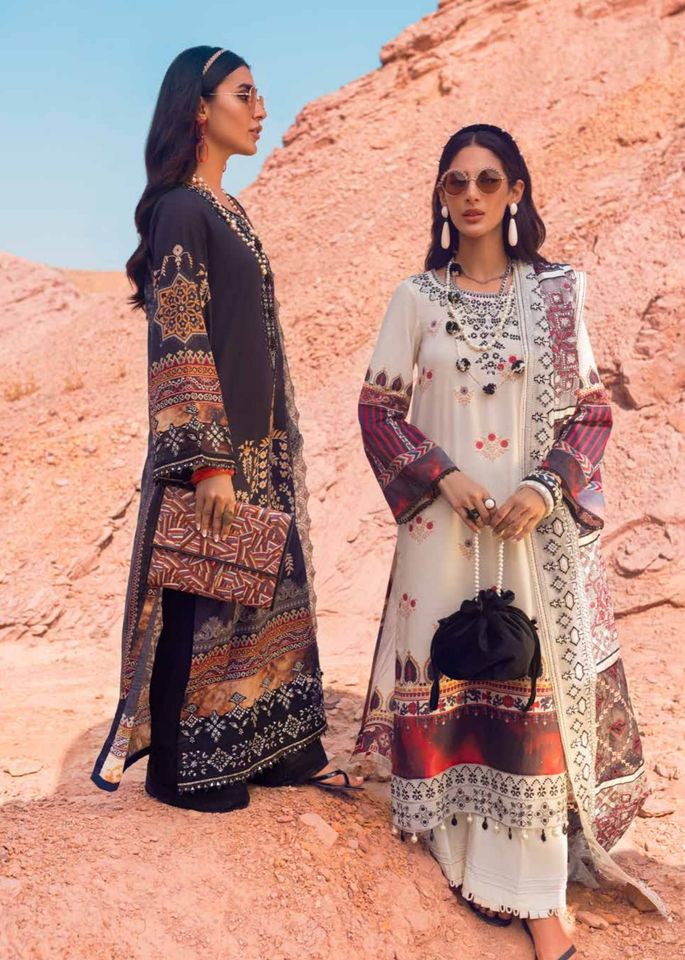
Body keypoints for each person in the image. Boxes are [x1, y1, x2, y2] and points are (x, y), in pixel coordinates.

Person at [352, 123, 665, 959]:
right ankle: (458, 855)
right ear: (440, 197)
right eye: (455, 182)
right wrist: (442, 475)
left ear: (515, 192)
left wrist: (543, 486)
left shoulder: (557, 295)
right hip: (440, 535)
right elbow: (377, 411)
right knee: (451, 681)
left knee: (525, 692)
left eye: (488, 181)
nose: (471, 196)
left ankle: (535, 899)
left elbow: (590, 412)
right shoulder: (416, 297)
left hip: (530, 538)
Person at [91, 45, 362, 811]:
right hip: (213, 453)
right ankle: (188, 772)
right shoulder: (182, 210)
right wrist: (210, 462)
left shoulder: (228, 210)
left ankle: (267, 751)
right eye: (245, 93)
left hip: (256, 450)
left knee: (252, 603)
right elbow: (180, 335)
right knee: (201, 600)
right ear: (200, 107)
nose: (261, 108)